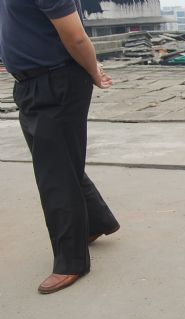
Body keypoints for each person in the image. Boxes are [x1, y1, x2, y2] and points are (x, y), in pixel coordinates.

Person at [0, 0, 119, 294]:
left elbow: (76, 37)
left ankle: (71, 262)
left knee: (55, 175)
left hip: (56, 81)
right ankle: (97, 221)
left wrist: (93, 71)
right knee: (59, 162)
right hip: (30, 84)